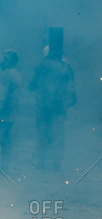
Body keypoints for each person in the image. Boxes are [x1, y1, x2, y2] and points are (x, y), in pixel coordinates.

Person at [28, 27, 76, 170]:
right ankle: (56, 163)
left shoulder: (42, 66)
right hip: (59, 107)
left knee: (42, 132)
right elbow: (72, 89)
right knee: (58, 134)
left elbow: (32, 85)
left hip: (43, 105)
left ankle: (40, 162)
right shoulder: (66, 67)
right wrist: (70, 102)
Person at [0, 49, 22, 171]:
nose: (1, 62)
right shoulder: (16, 73)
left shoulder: (7, 74)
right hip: (11, 112)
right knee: (6, 140)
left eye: (3, 59)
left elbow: (2, 93)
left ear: (8, 60)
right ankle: (5, 165)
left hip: (2, 112)